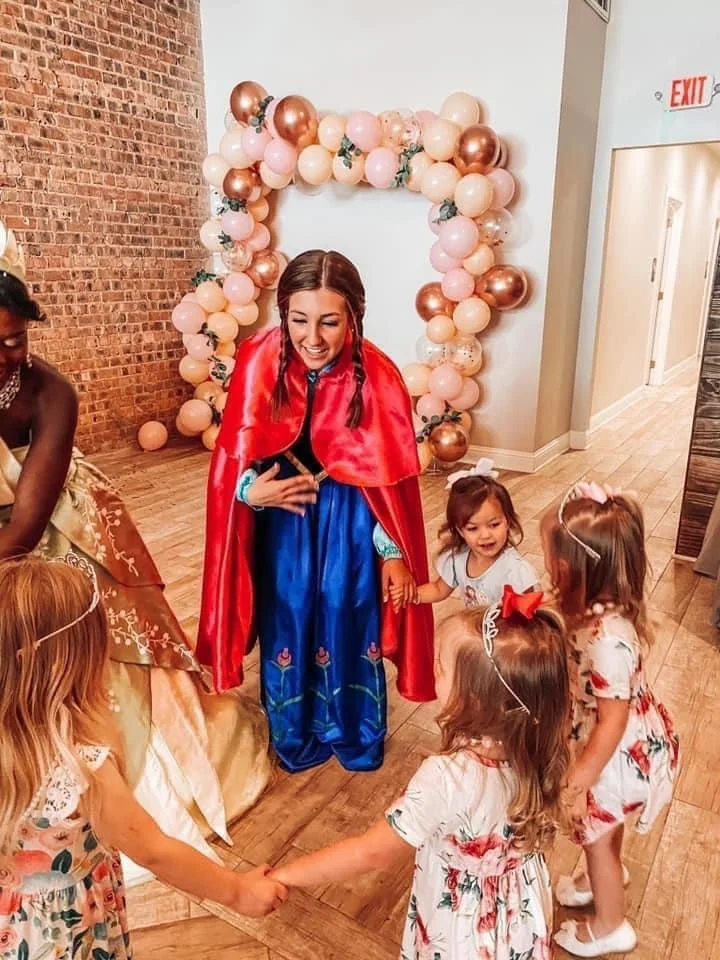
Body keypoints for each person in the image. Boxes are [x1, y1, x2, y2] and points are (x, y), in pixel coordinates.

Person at [0, 223, 270, 863]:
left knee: (78, 655)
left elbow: (24, 533)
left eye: (14, 341)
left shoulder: (49, 393)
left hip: (51, 532)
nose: (5, 355)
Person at [198, 249, 435, 773]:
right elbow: (232, 457)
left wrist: (393, 550)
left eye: (329, 321)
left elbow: (391, 487)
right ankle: (295, 731)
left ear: (353, 316)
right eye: (299, 319)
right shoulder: (259, 361)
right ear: (282, 313)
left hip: (351, 519)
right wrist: (246, 491)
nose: (313, 337)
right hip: (282, 519)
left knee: (348, 607)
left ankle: (355, 731)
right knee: (288, 609)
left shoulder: (377, 376)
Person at [0, 555, 286, 960]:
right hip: (66, 930)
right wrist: (237, 891)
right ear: (75, 664)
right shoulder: (81, 765)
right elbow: (152, 850)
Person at [268, 590, 571, 960]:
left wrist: (285, 875)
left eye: (440, 667)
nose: (434, 671)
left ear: (471, 699)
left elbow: (370, 852)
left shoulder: (445, 778)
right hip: (521, 912)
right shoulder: (543, 747)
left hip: (463, 930)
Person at [542, 481, 680, 958]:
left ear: (574, 567)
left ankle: (610, 924)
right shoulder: (595, 610)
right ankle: (604, 874)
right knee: (604, 829)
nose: (547, 567)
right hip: (613, 742)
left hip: (613, 754)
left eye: (552, 559)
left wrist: (578, 780)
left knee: (597, 834)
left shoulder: (608, 640)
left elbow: (612, 723)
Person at [414, 458, 540, 609]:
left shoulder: (515, 571)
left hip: (506, 632)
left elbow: (532, 615)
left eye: (494, 525)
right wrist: (412, 595)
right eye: (473, 528)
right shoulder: (458, 558)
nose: (485, 535)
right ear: (460, 530)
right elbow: (439, 589)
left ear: (508, 521)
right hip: (475, 630)